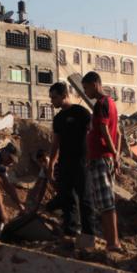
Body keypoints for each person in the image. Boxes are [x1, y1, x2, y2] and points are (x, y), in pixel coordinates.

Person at [82, 72, 123, 251]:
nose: (85, 92)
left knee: (106, 204)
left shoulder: (101, 104)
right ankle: (112, 242)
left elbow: (105, 130)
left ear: (95, 84)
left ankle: (113, 243)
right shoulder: (111, 103)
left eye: (86, 88)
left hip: (100, 158)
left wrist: (114, 153)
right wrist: (116, 154)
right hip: (104, 158)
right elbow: (118, 133)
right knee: (105, 202)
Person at [47, 81, 94, 236]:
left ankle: (88, 234)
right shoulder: (58, 119)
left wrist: (91, 157)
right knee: (67, 199)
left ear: (64, 95)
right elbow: (56, 143)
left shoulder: (82, 113)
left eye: (54, 97)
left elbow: (92, 135)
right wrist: (51, 164)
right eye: (51, 98)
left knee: (85, 199)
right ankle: (70, 232)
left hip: (82, 162)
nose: (52, 101)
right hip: (65, 163)